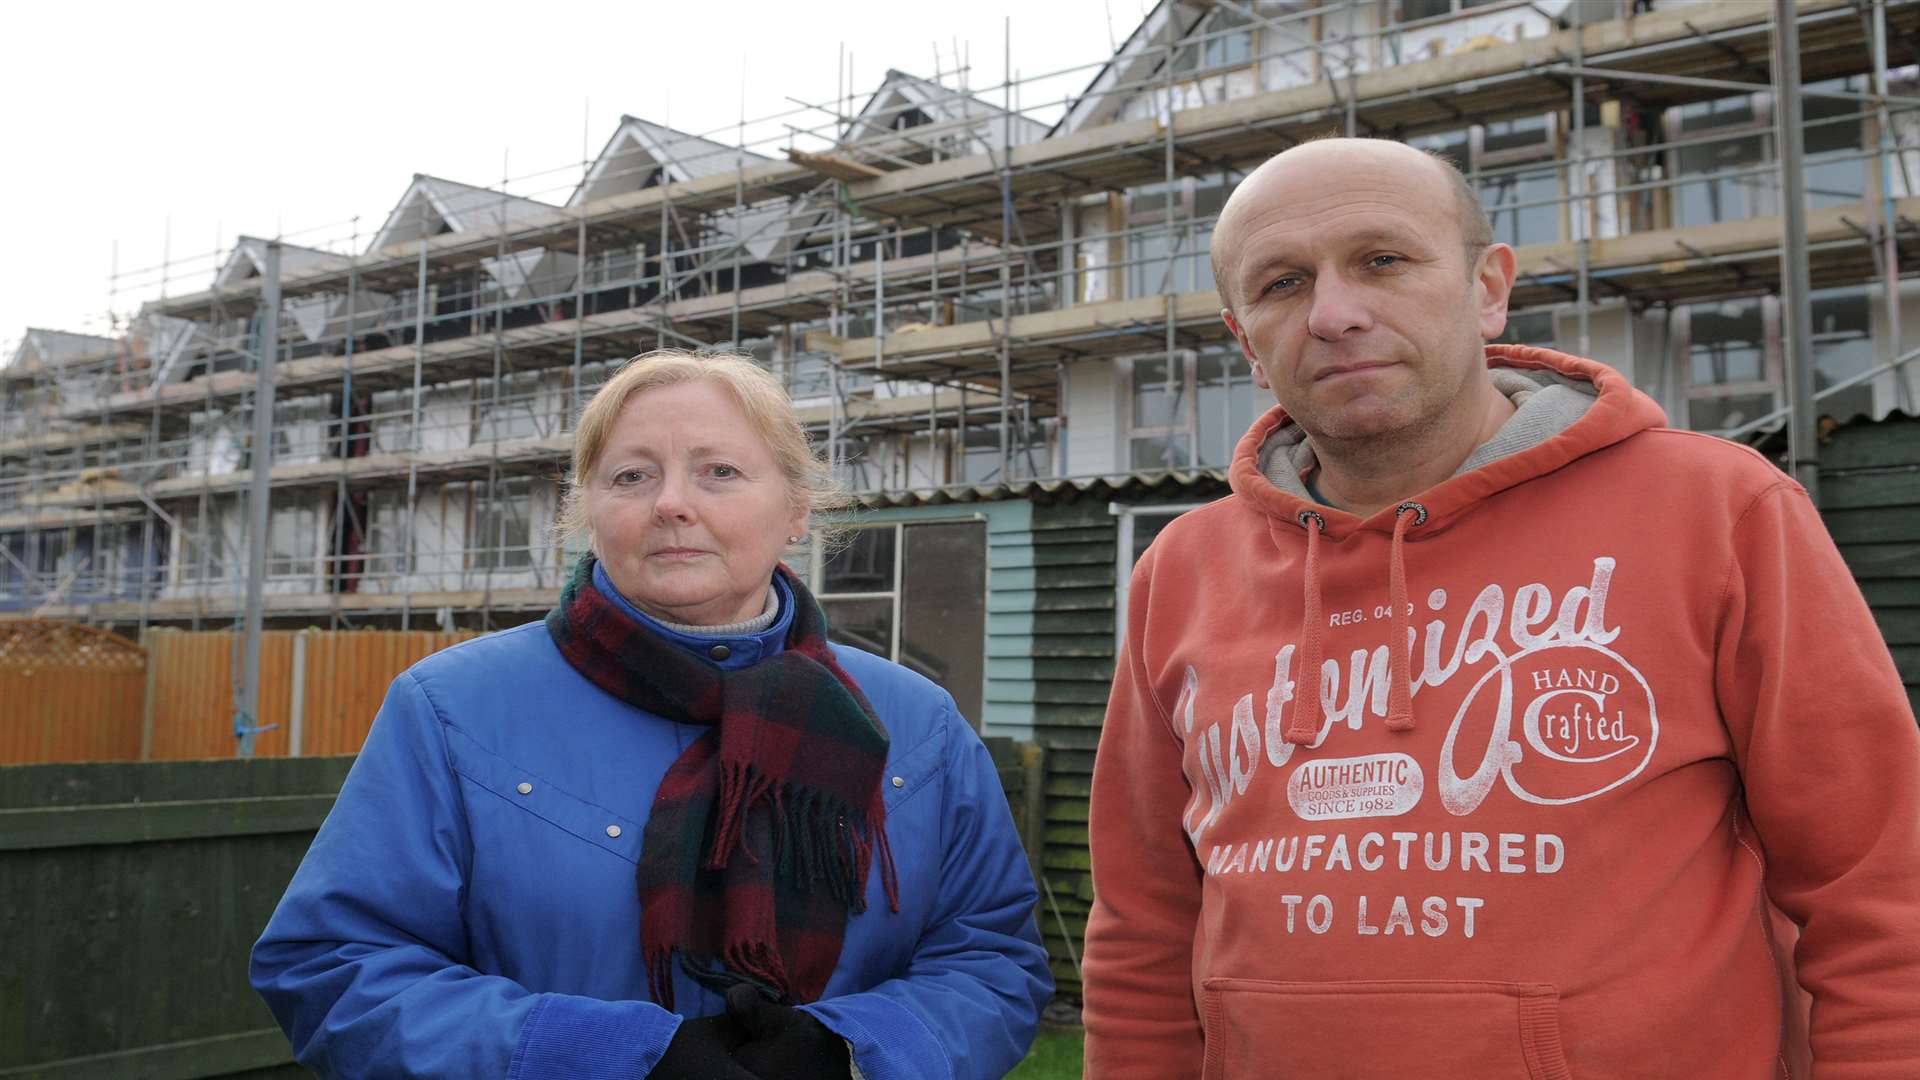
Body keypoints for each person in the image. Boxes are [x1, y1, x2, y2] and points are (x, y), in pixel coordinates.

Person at [1082, 137, 1920, 1077]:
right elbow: (1143, 927)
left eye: (1383, 260)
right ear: (1245, 341)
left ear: (1489, 288)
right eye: (1281, 283)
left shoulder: (1718, 512)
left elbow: (1880, 894)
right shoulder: (1181, 572)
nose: (1333, 313)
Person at [252, 349, 1052, 1080]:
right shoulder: (450, 707)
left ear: (797, 509)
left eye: (720, 472)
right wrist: (603, 1057)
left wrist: (853, 1051)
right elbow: (336, 965)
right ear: (587, 510)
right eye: (631, 476)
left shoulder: (918, 723)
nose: (671, 503)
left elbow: (991, 961)